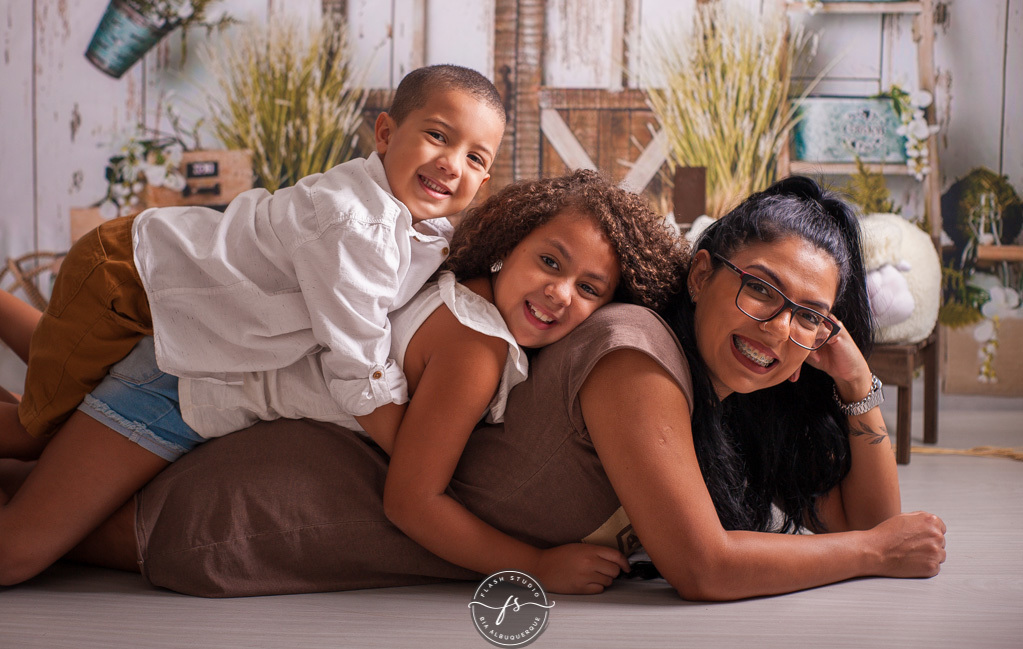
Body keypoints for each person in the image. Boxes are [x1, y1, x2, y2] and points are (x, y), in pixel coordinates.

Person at [2, 176, 946, 599]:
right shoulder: (633, 353)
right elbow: (709, 565)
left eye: (809, 315)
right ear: (702, 272)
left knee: (44, 433)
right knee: (26, 526)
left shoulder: (714, 392)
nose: (778, 327)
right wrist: (868, 553)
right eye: (761, 290)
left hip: (274, 463)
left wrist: (854, 383)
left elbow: (873, 522)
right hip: (261, 508)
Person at [0, 63, 506, 462]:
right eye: (438, 136)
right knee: (34, 431)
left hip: (174, 292)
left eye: (475, 158)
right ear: (385, 134)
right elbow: (359, 366)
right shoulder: (356, 226)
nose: (451, 163)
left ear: (483, 183)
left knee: (61, 359)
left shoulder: (429, 231)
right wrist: (420, 462)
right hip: (126, 279)